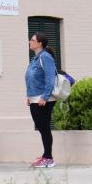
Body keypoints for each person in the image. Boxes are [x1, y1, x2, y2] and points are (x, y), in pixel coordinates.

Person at [25, 33, 57, 168]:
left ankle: (48, 158)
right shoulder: (36, 58)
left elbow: (50, 78)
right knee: (42, 128)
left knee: (44, 128)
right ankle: (46, 155)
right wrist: (29, 96)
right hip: (35, 98)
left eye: (32, 40)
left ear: (40, 43)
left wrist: (44, 96)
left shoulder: (45, 57)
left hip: (43, 99)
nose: (29, 42)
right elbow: (32, 78)